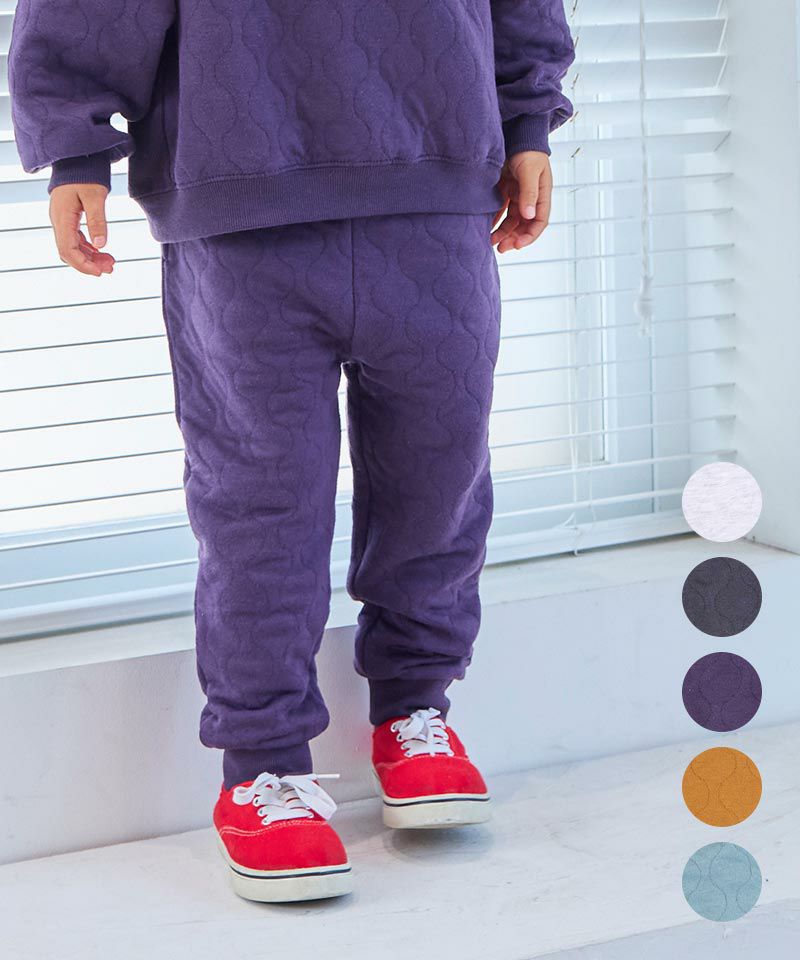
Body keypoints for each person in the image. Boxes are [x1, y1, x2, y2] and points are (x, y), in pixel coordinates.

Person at [9, 0, 574, 903]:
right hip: (241, 202)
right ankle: (262, 764)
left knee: (440, 473)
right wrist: (75, 149)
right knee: (259, 503)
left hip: (436, 183)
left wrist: (527, 119)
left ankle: (416, 709)